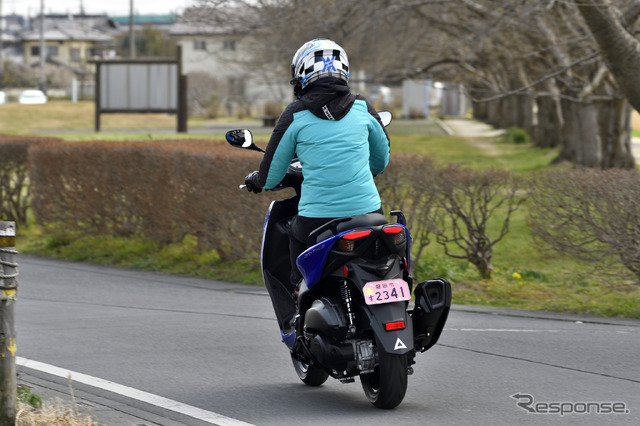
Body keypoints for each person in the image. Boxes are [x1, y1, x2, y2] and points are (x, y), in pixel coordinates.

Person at [244, 38, 390, 290]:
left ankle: (300, 306)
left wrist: (256, 180)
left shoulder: (295, 114)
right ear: (344, 71)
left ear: (301, 75)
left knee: (296, 244)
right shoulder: (363, 106)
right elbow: (380, 162)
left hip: (317, 219)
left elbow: (270, 177)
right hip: (369, 213)